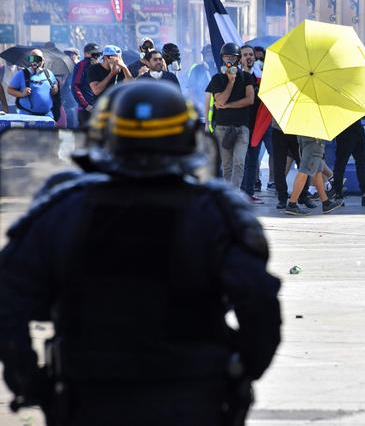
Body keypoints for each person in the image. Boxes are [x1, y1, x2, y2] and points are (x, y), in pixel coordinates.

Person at [0, 80, 282, 425]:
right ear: (186, 138)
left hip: (90, 398)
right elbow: (259, 303)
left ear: (105, 136)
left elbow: (8, 303)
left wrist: (32, 382)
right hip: (192, 396)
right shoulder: (215, 213)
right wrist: (240, 372)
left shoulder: (62, 209)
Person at [330, 42, 365, 207]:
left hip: (355, 123)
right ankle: (338, 194)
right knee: (342, 161)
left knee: (361, 159)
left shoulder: (352, 76)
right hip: (345, 123)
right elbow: (364, 102)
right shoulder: (341, 79)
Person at [205, 42, 254, 188]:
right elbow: (220, 100)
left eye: (233, 57)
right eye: (226, 57)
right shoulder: (217, 79)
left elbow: (250, 100)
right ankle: (228, 194)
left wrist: (228, 105)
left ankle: (236, 193)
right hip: (223, 128)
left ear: (238, 59)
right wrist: (231, 83)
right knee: (227, 165)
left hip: (242, 128)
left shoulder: (246, 77)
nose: (229, 60)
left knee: (239, 162)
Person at [285, 136, 343, 215]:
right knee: (304, 171)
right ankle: (292, 203)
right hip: (314, 139)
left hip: (308, 137)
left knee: (317, 170)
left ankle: (325, 202)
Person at [238, 44, 264, 204]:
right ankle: (240, 192)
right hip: (240, 125)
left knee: (253, 160)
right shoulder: (236, 77)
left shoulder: (259, 78)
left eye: (251, 54)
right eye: (245, 55)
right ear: (240, 59)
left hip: (256, 125)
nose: (249, 57)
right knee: (240, 161)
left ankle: (249, 191)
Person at [6, 49, 59, 118]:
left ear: (43, 60)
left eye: (38, 58)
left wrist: (55, 89)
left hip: (47, 116)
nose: (35, 61)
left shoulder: (49, 74)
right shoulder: (22, 74)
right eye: (32, 58)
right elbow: (9, 90)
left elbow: (55, 87)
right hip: (27, 116)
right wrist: (22, 94)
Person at [71, 43, 101, 127]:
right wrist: (86, 105)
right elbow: (75, 86)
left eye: (97, 53)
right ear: (86, 53)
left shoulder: (99, 65)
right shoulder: (82, 65)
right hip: (85, 109)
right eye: (93, 53)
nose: (96, 55)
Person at [188, 44, 214, 119]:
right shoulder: (196, 69)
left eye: (211, 53)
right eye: (207, 53)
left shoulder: (219, 68)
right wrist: (198, 105)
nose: (209, 55)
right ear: (203, 55)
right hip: (201, 108)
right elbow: (191, 91)